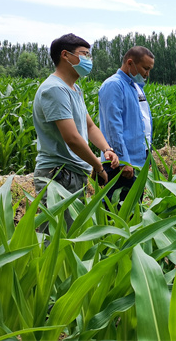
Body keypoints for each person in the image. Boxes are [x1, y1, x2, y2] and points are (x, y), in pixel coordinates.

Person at [32, 33, 119, 230]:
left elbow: (89, 126)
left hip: (72, 173)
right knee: (54, 238)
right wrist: (98, 167)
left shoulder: (74, 89)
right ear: (65, 55)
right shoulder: (54, 89)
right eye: (84, 54)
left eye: (89, 55)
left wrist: (106, 148)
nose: (88, 60)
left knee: (71, 235)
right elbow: (71, 138)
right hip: (58, 175)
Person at [98, 46, 155, 203]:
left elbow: (142, 123)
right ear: (130, 63)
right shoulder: (114, 85)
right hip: (121, 164)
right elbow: (113, 127)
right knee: (117, 210)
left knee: (134, 209)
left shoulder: (135, 86)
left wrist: (147, 157)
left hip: (138, 161)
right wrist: (123, 161)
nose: (147, 74)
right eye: (145, 68)